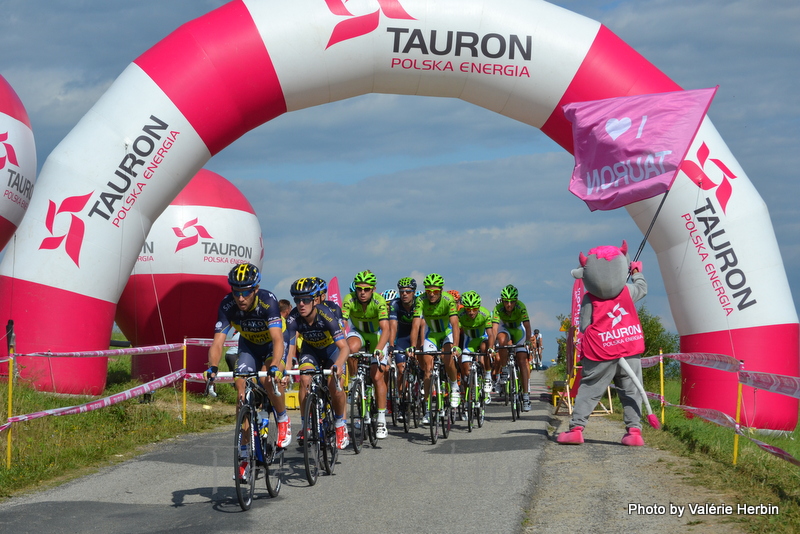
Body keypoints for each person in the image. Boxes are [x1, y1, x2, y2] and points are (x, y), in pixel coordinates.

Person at [557, 242, 648, 446]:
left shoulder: (590, 299)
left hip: (600, 351)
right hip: (629, 348)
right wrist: (636, 272)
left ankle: (577, 429)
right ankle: (634, 431)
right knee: (631, 389)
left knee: (590, 389)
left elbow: (584, 326)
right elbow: (642, 288)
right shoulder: (627, 291)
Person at [206, 263, 292, 459]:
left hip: (272, 345)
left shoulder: (268, 301)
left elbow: (278, 339)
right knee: (240, 386)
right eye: (236, 292)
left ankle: (283, 418)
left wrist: (277, 366)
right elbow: (217, 342)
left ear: (256, 289)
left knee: (267, 379)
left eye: (245, 292)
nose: (240, 298)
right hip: (249, 346)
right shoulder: (227, 305)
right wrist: (212, 368)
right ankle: (244, 447)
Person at [285, 278, 351, 449]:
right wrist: (286, 370)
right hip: (311, 351)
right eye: (297, 300)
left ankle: (339, 425)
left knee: (334, 385)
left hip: (331, 351)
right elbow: (291, 349)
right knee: (305, 379)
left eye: (306, 299)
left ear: (314, 300)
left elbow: (344, 347)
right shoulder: (293, 318)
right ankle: (305, 424)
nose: (301, 304)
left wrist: (339, 364)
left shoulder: (327, 314)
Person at [341, 270, 392, 439]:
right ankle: (355, 379)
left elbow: (386, 329)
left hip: (377, 334)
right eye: (359, 288)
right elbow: (343, 323)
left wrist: (379, 348)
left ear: (373, 289)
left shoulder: (380, 302)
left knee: (377, 377)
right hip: (359, 333)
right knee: (350, 348)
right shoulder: (349, 300)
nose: (362, 292)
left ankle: (382, 420)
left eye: (367, 289)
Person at [410, 273, 461, 424]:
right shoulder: (421, 300)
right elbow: (416, 324)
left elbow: (455, 325)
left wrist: (456, 346)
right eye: (429, 291)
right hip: (431, 335)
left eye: (435, 291)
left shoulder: (448, 300)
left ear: (441, 290)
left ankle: (454, 386)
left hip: (446, 333)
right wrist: (413, 346)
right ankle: (427, 408)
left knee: (448, 358)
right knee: (427, 369)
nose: (432, 294)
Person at [493, 284, 534, 411]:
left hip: (518, 331)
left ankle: (526, 396)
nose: (509, 305)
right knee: (502, 340)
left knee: (522, 361)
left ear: (515, 300)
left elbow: (527, 326)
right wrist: (493, 344)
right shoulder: (498, 308)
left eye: (511, 302)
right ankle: (504, 369)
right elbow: (494, 328)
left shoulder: (521, 306)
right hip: (505, 330)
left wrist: (527, 341)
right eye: (506, 302)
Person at [456, 290, 496, 403]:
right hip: (469, 341)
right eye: (468, 309)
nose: (471, 312)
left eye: (474, 309)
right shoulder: (461, 315)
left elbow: (491, 334)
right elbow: (456, 331)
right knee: (465, 370)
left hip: (482, 338)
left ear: (479, 307)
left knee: (486, 347)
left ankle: (487, 376)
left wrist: (491, 348)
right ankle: (469, 395)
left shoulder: (485, 313)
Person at [387, 277, 420, 405]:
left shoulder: (419, 303)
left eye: (408, 291)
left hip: (416, 336)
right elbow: (393, 326)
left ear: (414, 292)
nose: (404, 294)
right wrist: (391, 345)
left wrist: (417, 346)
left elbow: (419, 326)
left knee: (419, 361)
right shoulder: (395, 304)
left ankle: (420, 381)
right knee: (401, 369)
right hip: (402, 337)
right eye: (401, 291)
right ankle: (401, 399)